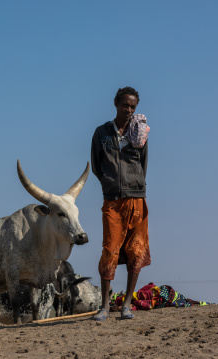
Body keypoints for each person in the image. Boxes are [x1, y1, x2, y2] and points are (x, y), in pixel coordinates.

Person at [90, 86, 150, 321]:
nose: (128, 110)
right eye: (125, 105)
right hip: (112, 201)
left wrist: (137, 185)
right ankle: (104, 306)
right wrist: (109, 183)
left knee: (136, 250)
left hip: (137, 198)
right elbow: (97, 165)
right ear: (116, 103)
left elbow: (143, 164)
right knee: (110, 249)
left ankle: (126, 304)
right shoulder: (101, 133)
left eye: (133, 107)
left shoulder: (140, 133)